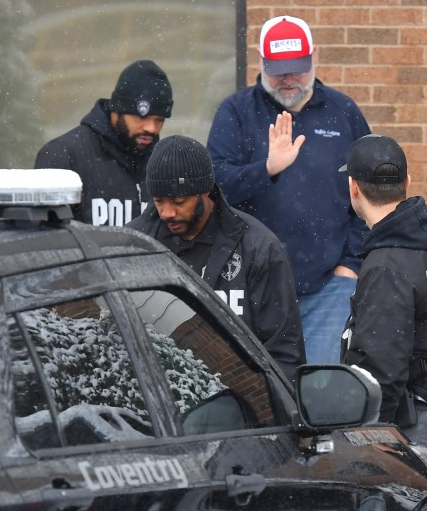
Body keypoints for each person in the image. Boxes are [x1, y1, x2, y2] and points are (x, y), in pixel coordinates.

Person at [207, 15, 372, 365]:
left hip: (328, 288)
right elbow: (215, 188)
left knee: (319, 395)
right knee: (257, 393)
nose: (288, 80)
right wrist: (265, 170)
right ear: (261, 61)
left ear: (314, 57)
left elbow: (370, 192)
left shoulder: (343, 113)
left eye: (296, 69)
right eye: (278, 70)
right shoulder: (236, 113)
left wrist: (351, 263)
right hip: (252, 288)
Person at [127, 135, 305, 382]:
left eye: (179, 201)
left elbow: (284, 354)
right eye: (158, 201)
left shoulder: (257, 248)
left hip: (237, 405)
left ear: (206, 192)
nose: (167, 212)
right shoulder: (132, 246)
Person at [340, 134, 427, 472]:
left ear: (353, 188)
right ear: (406, 182)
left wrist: (367, 442)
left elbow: (383, 370)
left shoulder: (386, 265)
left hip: (415, 426)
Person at [35, 59, 172, 226]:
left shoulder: (165, 163)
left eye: (159, 119)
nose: (151, 128)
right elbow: (46, 241)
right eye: (141, 116)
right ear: (118, 109)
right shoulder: (63, 155)